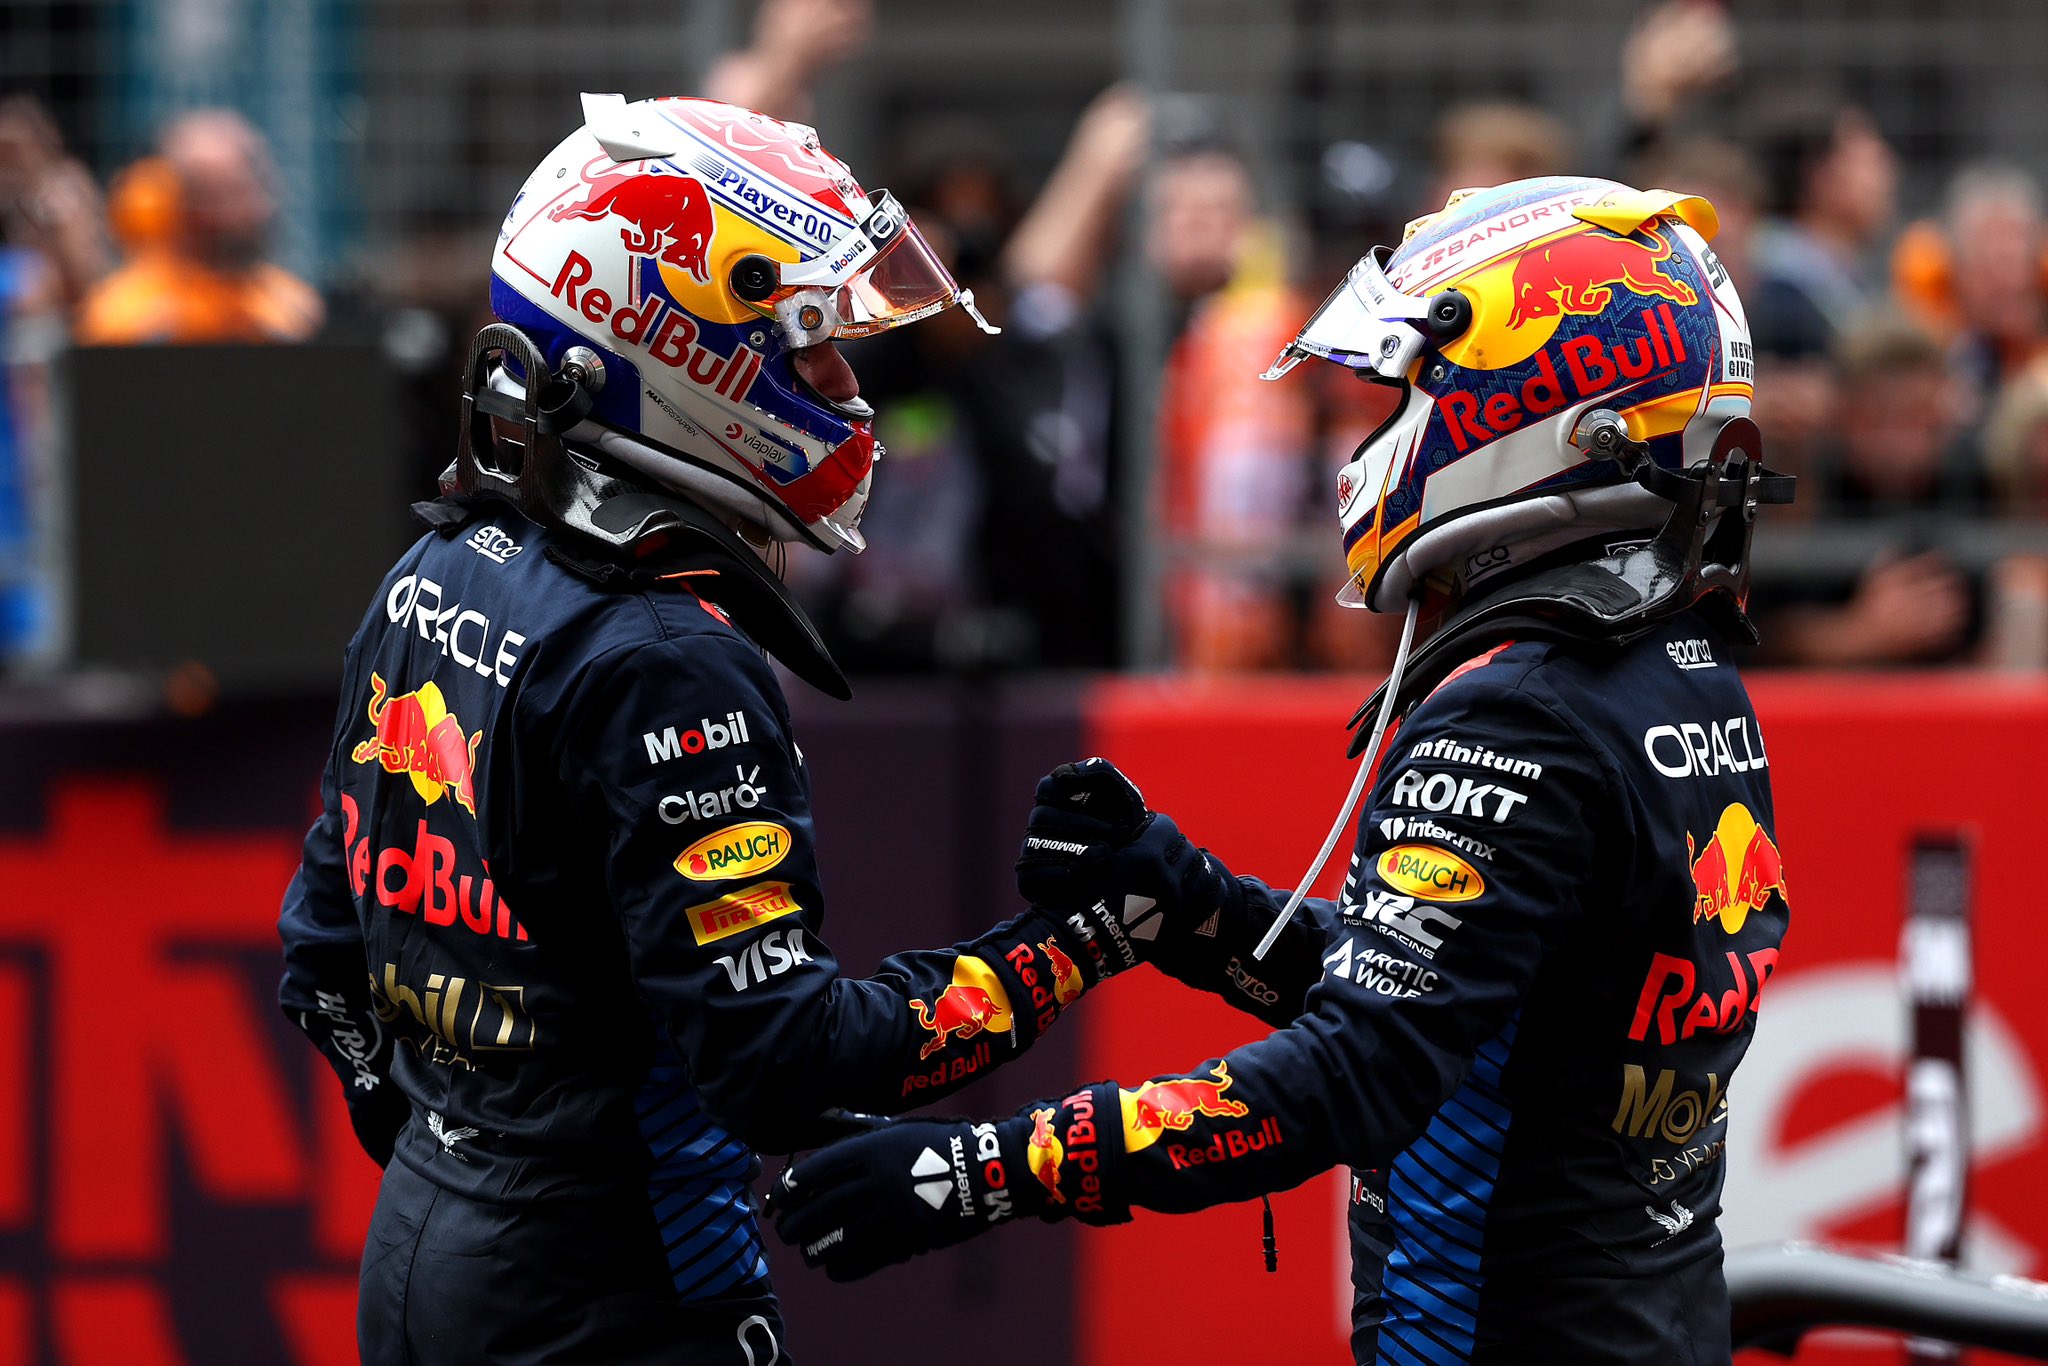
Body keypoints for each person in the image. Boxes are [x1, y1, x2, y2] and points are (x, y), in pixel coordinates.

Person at [765, 177, 1798, 1365]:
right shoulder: (1677, 664)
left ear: (1552, 410)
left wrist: (988, 1166)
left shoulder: (1519, 708)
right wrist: (1192, 907)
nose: (1377, 432)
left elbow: (1362, 1068)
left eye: (1414, 387)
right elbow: (1473, 1004)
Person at [276, 95, 1134, 1365]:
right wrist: (1076, 938)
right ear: (677, 350)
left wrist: (476, 1140)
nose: (846, 388)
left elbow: (321, 957)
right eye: (810, 346)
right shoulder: (667, 656)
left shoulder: (436, 564)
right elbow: (781, 1059)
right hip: (609, 1287)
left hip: (424, 1256)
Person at [75, 109, 321, 345]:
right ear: (180, 204)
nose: (259, 210)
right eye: (232, 193)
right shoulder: (127, 319)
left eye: (259, 188)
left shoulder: (291, 310)